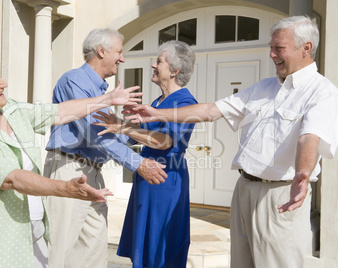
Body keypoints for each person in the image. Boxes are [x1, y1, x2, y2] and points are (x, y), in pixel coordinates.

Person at [124, 16, 338, 268]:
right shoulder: (264, 87)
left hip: (280, 195)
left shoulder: (322, 91)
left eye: (279, 48)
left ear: (306, 48)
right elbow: (210, 111)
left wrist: (302, 174)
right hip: (244, 189)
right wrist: (158, 113)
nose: (271, 54)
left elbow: (309, 138)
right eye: (270, 47)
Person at [0, 46, 142, 268]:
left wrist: (107, 99)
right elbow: (12, 179)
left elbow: (59, 112)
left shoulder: (12, 110)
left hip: (32, 233)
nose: (3, 83)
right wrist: (67, 189)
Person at [44, 28, 167, 268]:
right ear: (101, 51)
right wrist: (138, 164)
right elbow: (95, 134)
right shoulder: (75, 81)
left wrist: (135, 129)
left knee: (94, 249)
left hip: (92, 172)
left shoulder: (101, 91)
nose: (122, 59)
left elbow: (109, 133)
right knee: (60, 248)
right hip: (70, 169)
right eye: (119, 52)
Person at [93, 40, 197, 267]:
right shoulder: (158, 102)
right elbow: (138, 136)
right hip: (147, 176)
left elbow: (165, 142)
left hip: (166, 177)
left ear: (174, 71)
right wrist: (125, 124)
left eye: (159, 61)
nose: (153, 64)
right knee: (145, 241)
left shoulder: (185, 101)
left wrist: (123, 127)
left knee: (161, 242)